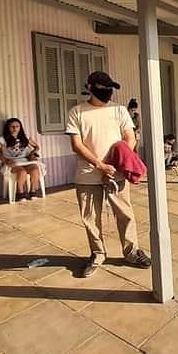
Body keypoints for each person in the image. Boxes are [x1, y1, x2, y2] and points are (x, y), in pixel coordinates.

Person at [66, 71, 152, 278]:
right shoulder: (77, 112)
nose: (107, 92)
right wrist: (100, 165)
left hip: (117, 173)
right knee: (90, 218)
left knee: (125, 213)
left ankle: (131, 252)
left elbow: (130, 138)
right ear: (89, 87)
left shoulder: (119, 110)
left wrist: (115, 165)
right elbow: (76, 145)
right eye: (103, 88)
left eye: (109, 89)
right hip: (88, 174)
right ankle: (97, 254)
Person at [0, 118, 42, 201]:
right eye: (12, 126)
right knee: (22, 172)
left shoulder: (25, 137)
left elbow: (37, 147)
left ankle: (33, 191)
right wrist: (5, 160)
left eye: (17, 126)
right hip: (12, 163)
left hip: (25, 161)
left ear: (20, 127)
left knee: (35, 170)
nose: (15, 128)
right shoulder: (2, 139)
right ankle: (20, 193)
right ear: (8, 128)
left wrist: (32, 154)